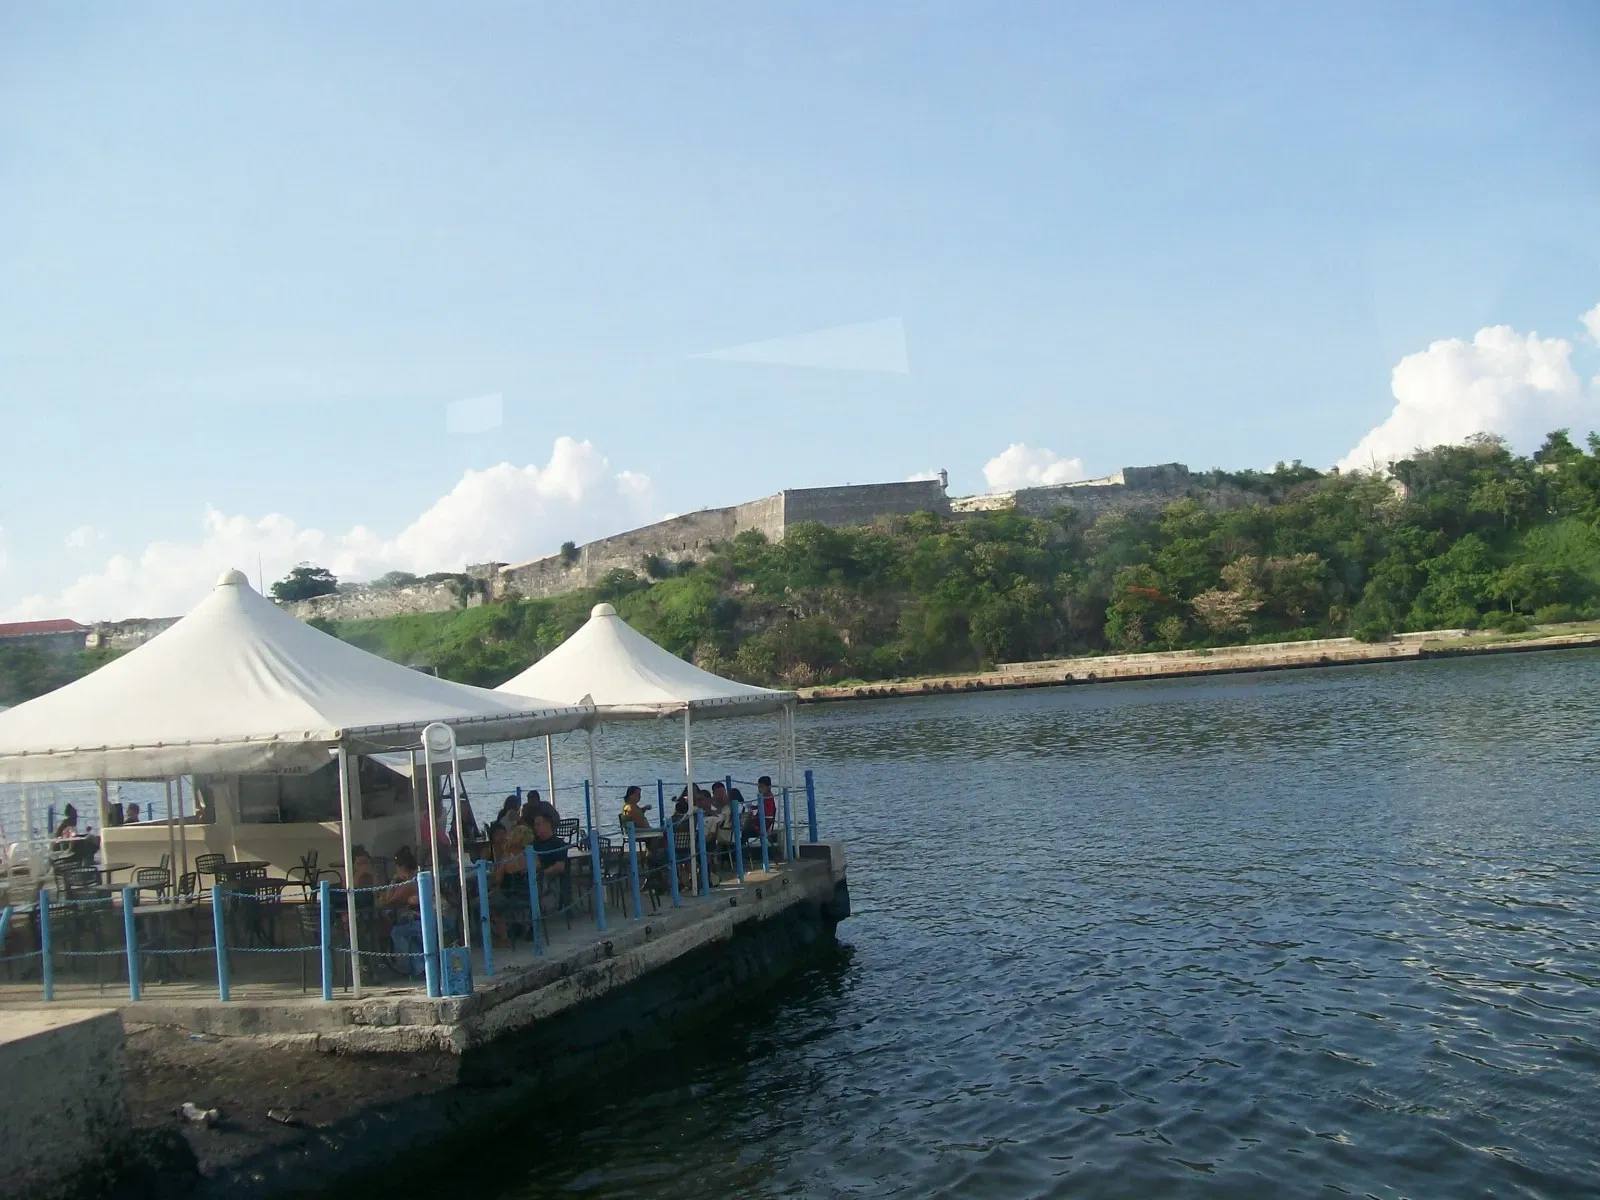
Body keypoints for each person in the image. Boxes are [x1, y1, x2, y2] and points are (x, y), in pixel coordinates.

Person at [529, 812, 572, 912]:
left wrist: (541, 874)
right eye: (535, 825)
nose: (536, 828)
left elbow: (560, 866)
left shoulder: (558, 844)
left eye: (539, 824)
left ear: (548, 825)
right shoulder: (534, 844)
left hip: (548, 879)